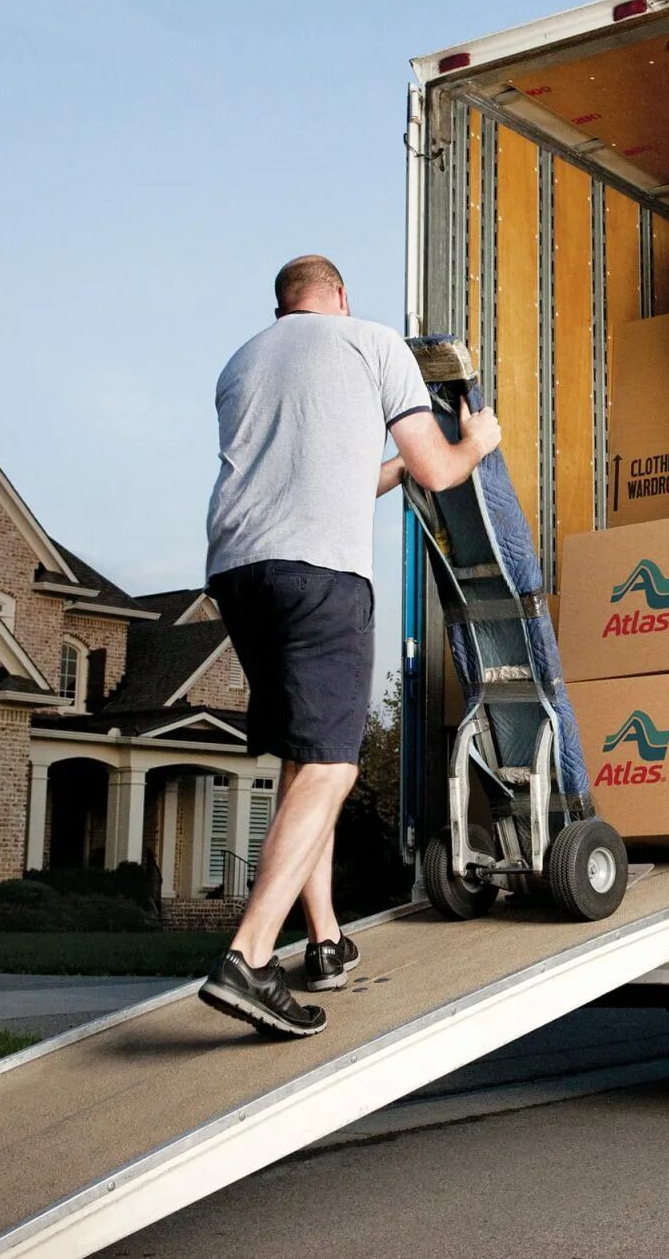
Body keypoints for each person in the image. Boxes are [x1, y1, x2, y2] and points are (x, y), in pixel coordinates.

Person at [198, 255, 501, 1038]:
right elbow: (440, 468)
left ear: (283, 309)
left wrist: (393, 467)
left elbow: (324, 477)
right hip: (320, 575)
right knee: (333, 763)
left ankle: (325, 939)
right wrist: (476, 443)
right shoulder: (369, 340)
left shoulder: (242, 365)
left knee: (307, 758)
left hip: (238, 571)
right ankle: (250, 956)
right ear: (339, 296)